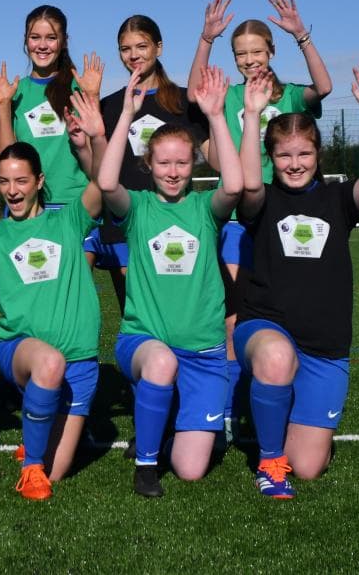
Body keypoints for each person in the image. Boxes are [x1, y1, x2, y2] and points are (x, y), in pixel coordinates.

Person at [0, 87, 108, 501]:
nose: (12, 190)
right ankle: (30, 470)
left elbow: (104, 181)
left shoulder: (70, 222)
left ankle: (38, 446)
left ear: (39, 181)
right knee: (48, 361)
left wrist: (97, 137)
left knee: (59, 470)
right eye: (5, 181)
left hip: (80, 362)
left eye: (21, 181)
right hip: (22, 351)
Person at [234, 66, 359, 498]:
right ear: (272, 158)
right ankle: (269, 463)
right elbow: (248, 183)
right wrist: (252, 117)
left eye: (303, 154)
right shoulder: (262, 200)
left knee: (309, 466)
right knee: (278, 357)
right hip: (265, 327)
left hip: (326, 347)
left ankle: (288, 420)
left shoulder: (338, 199)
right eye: (283, 155)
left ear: (318, 154)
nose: (294, 163)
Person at [186, 0, 334, 438]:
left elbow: (323, 87)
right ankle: (232, 407)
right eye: (241, 54)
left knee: (287, 307)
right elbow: (195, 92)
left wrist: (300, 34)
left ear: (271, 51)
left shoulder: (291, 94)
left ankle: (283, 396)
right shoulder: (229, 95)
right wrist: (206, 39)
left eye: (256, 51)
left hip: (284, 218)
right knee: (233, 313)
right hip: (237, 217)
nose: (249, 60)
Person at [99, 66, 243, 498]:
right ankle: (145, 464)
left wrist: (216, 116)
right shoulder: (138, 207)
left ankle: (165, 435)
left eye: (182, 162)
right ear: (149, 164)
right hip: (144, 343)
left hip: (204, 353)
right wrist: (124, 116)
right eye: (164, 162)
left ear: (193, 162)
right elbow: (107, 182)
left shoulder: (203, 208)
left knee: (191, 469)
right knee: (161, 364)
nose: (174, 171)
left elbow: (235, 185)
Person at [85, 15, 208, 312]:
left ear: (159, 48)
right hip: (125, 224)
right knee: (135, 314)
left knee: (174, 311)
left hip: (174, 223)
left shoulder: (182, 101)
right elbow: (99, 172)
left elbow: (211, 154)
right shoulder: (110, 105)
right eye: (125, 49)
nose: (134, 55)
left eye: (142, 46)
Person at [0, 5, 102, 206]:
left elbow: (97, 165)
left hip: (75, 205)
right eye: (35, 37)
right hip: (27, 206)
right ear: (25, 41)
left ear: (64, 42)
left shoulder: (80, 88)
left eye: (51, 38)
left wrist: (93, 97)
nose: (42, 45)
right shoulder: (15, 91)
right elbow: (6, 159)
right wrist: (3, 104)